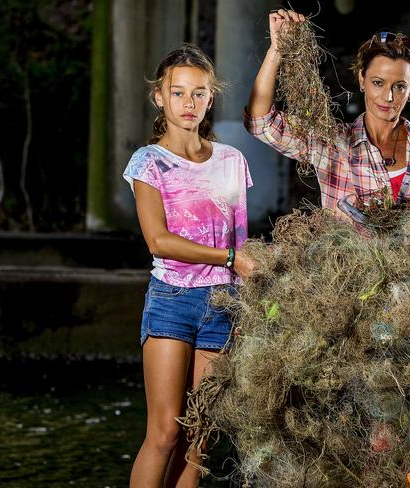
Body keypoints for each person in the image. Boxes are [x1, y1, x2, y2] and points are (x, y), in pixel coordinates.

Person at [123, 43, 254, 488]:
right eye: (178, 93)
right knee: (164, 432)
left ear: (211, 97)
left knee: (198, 438)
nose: (189, 103)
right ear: (159, 97)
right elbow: (158, 242)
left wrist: (244, 301)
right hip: (172, 301)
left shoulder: (232, 162)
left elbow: (242, 243)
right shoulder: (149, 162)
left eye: (198, 93)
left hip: (222, 305)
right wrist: (231, 259)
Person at [245, 9, 410, 221]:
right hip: (347, 255)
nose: (388, 97)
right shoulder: (334, 143)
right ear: (362, 80)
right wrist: (277, 50)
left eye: (399, 87)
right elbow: (261, 124)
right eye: (378, 83)